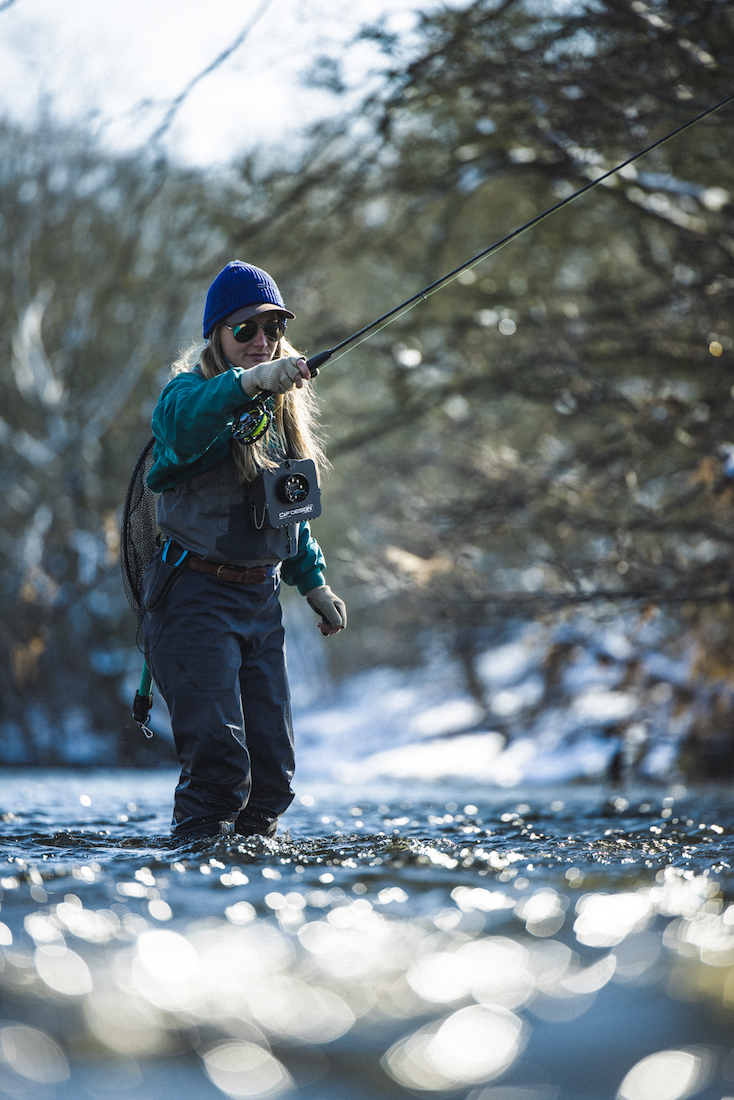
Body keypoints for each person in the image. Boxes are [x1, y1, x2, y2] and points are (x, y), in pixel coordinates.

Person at [142, 260, 347, 841]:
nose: (262, 342)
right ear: (217, 336)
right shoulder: (185, 395)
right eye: (246, 330)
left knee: (274, 780)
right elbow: (182, 430)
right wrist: (250, 384)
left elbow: (290, 511)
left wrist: (315, 584)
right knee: (219, 771)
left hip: (260, 604)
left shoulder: (280, 411)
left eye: (273, 329)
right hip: (192, 600)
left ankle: (254, 883)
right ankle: (196, 884)